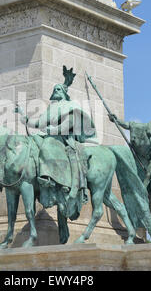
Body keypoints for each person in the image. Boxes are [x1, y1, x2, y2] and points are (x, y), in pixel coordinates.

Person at [16, 66, 96, 207]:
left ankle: (56, 180)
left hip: (65, 137)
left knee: (48, 146)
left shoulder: (70, 105)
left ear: (65, 93)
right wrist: (25, 118)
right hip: (51, 135)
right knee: (34, 143)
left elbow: (68, 123)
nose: (56, 91)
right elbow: (40, 123)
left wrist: (53, 130)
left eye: (59, 89)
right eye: (54, 90)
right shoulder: (51, 108)